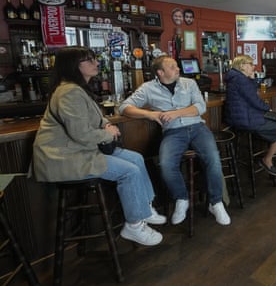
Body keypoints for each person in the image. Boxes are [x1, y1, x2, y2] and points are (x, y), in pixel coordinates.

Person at [32, 46, 165, 246]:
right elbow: (81, 134)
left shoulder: (77, 89)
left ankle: (144, 208)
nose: (96, 63)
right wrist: (107, 133)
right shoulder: (69, 92)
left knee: (136, 158)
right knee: (129, 171)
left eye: (94, 59)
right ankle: (134, 225)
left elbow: (92, 117)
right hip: (64, 158)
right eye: (89, 60)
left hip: (79, 151)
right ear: (73, 66)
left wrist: (105, 124)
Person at [120, 55, 230, 226]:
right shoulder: (148, 88)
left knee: (213, 159)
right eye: (172, 67)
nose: (178, 69)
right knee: (166, 165)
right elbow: (124, 107)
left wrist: (175, 113)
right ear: (160, 72)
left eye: (177, 66)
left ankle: (215, 202)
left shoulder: (189, 83)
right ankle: (182, 198)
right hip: (173, 132)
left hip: (197, 128)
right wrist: (149, 114)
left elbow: (200, 107)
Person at [224, 55, 276, 176]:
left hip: (245, 116)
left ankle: (275, 148)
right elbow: (254, 99)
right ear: (242, 66)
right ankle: (267, 159)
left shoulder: (236, 77)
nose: (253, 67)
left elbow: (250, 95)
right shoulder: (240, 79)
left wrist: (252, 78)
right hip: (245, 120)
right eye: (250, 64)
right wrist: (267, 108)